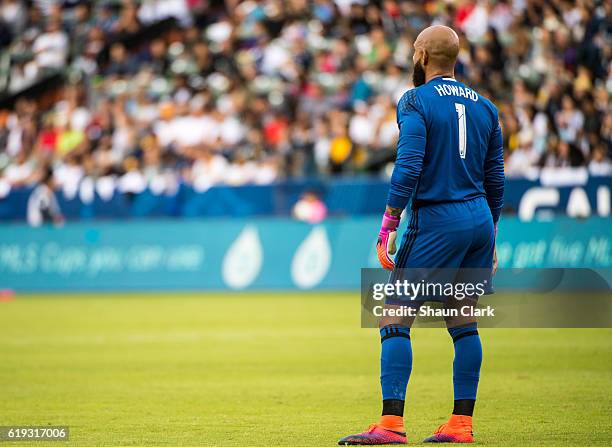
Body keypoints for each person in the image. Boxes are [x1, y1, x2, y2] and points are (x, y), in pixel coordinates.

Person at [339, 25, 504, 445]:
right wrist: (493, 234)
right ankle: (461, 424)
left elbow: (408, 165)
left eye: (415, 51)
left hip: (438, 219)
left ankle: (391, 424)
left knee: (394, 313)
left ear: (423, 56)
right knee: (463, 318)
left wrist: (389, 222)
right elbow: (496, 177)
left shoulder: (414, 100)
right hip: (479, 217)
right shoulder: (486, 107)